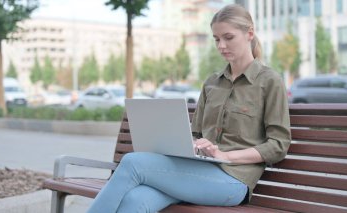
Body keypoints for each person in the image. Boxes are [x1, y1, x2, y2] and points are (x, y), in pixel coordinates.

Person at [87, 4, 291, 213]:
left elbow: (278, 145)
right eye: (216, 39)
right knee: (136, 200)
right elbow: (195, 133)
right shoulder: (212, 82)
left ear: (249, 33)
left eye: (228, 37)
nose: (221, 45)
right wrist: (193, 145)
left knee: (133, 163)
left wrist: (226, 156)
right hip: (196, 171)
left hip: (234, 180)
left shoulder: (269, 81)